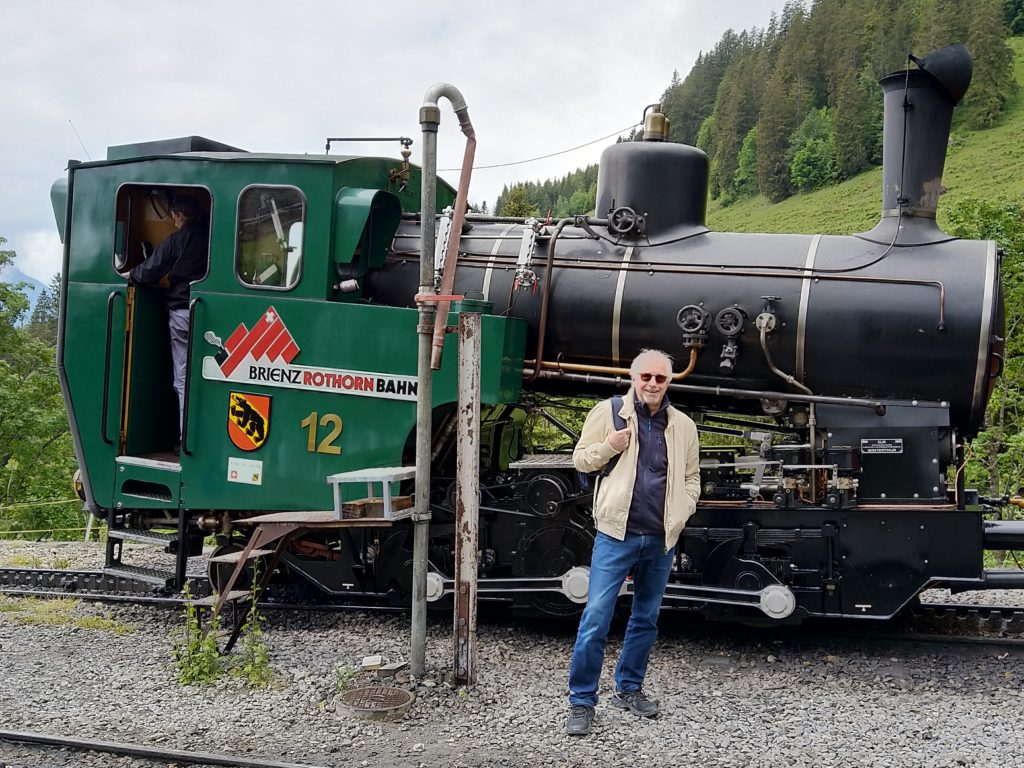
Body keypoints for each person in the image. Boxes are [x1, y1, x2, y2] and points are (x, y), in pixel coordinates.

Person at [566, 348, 701, 736]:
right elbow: (580, 459)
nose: (653, 384)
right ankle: (581, 701)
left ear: (669, 381)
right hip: (616, 534)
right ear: (633, 377)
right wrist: (610, 446)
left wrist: (684, 507)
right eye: (647, 377)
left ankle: (628, 688)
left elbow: (692, 477)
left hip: (661, 538)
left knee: (646, 619)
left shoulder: (683, 426)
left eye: (661, 378)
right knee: (596, 619)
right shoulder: (608, 412)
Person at [120, 197, 209, 446]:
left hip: (182, 310)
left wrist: (130, 274)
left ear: (181, 214)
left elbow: (150, 270)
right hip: (210, 314)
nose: (173, 221)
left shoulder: (176, 240)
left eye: (174, 216)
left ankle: (186, 439)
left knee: (182, 377)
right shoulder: (215, 238)